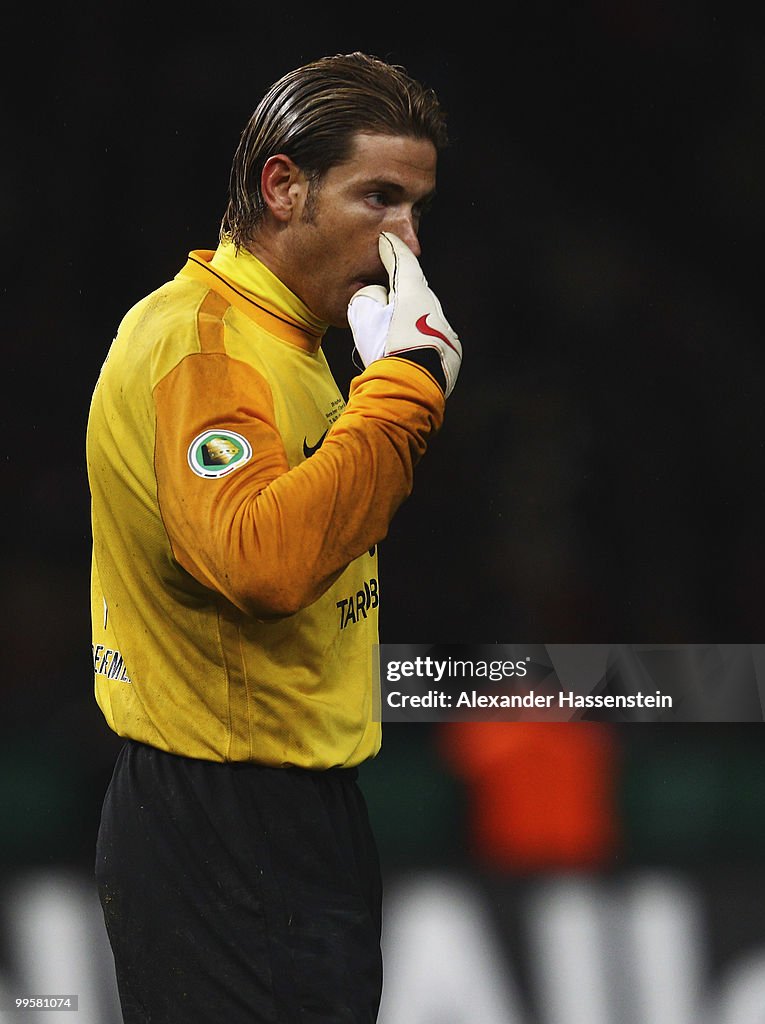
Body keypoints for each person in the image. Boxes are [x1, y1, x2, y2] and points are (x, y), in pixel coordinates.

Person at [86, 51, 462, 1023]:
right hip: (223, 817)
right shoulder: (202, 345)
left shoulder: (289, 343)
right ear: (283, 186)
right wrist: (406, 389)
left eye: (415, 207)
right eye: (379, 198)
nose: (404, 240)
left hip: (287, 809)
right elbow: (262, 562)